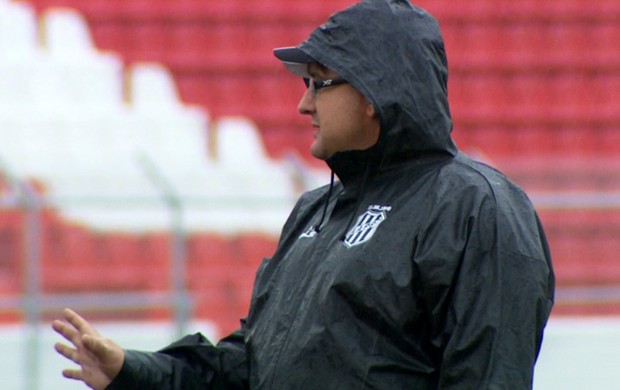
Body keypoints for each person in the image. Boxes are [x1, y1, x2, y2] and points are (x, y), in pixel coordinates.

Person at [52, 0, 555, 388]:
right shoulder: (316, 210)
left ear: (375, 94)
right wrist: (133, 371)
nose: (302, 104)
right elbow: (249, 367)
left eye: (319, 84)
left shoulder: (474, 207)